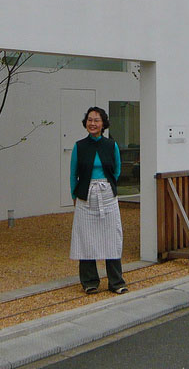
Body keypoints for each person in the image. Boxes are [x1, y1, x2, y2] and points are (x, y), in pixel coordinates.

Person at [69, 105, 128, 294]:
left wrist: (106, 186)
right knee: (86, 238)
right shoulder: (79, 146)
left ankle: (116, 282)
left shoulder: (111, 145)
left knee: (112, 237)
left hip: (107, 194)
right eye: (90, 120)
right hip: (85, 196)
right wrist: (74, 195)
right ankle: (89, 282)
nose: (92, 123)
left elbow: (117, 169)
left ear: (103, 124)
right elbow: (73, 174)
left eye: (96, 120)